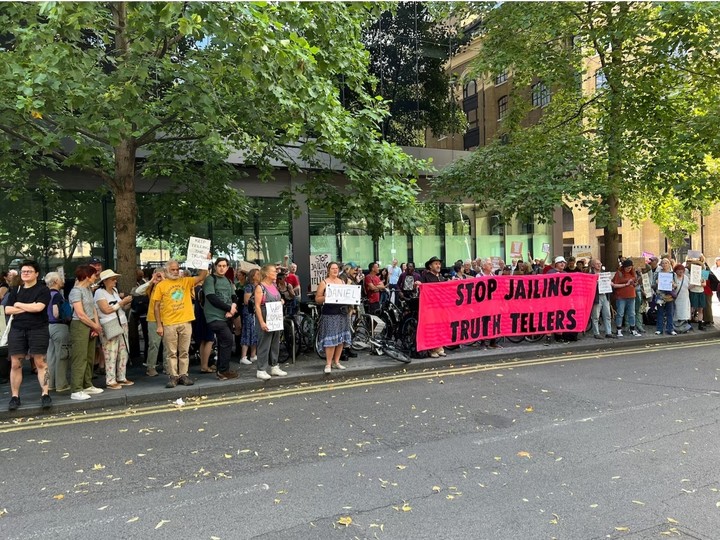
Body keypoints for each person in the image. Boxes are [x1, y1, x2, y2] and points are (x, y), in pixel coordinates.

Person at [152, 255, 211, 388]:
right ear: (167, 271)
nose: (175, 271)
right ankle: (173, 376)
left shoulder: (185, 281)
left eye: (177, 269)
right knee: (171, 352)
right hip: (169, 323)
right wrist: (159, 325)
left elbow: (201, 277)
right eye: (172, 269)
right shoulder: (161, 285)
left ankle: (183, 375)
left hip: (185, 321)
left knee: (184, 351)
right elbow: (156, 306)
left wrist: (205, 261)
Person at [5, 260, 52, 411]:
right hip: (17, 330)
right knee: (15, 364)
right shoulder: (15, 290)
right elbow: (6, 310)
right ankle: (15, 397)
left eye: (29, 271)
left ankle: (45, 394)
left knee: (40, 363)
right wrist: (28, 307)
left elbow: (39, 308)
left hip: (38, 329)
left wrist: (19, 305)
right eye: (23, 271)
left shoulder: (43, 290)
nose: (25, 273)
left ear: (36, 274)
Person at [68, 265, 104, 401]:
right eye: (94, 275)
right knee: (80, 357)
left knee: (89, 356)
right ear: (87, 276)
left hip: (90, 324)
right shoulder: (76, 291)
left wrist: (96, 326)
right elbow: (80, 314)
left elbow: (93, 308)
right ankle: (76, 389)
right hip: (80, 326)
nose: (96, 277)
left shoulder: (88, 289)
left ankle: (87, 384)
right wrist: (95, 325)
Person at [94, 269, 134, 389]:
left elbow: (119, 308)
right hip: (109, 324)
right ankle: (110, 380)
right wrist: (122, 303)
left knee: (123, 352)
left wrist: (127, 303)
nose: (115, 281)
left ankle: (121, 377)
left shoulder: (114, 291)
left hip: (121, 322)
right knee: (111, 352)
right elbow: (106, 310)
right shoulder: (99, 293)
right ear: (105, 281)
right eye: (112, 279)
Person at [203, 257, 239, 380]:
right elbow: (211, 297)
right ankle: (223, 371)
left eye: (224, 266)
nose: (222, 268)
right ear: (215, 266)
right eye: (219, 266)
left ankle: (222, 370)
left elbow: (234, 297)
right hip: (214, 317)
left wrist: (232, 308)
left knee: (225, 342)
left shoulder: (228, 281)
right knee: (227, 339)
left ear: (227, 267)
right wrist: (228, 308)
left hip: (227, 317)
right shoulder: (210, 279)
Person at [315, 262, 352, 374]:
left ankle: (337, 362)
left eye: (337, 268)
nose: (335, 270)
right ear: (328, 270)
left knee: (340, 339)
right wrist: (326, 297)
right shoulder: (324, 282)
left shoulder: (341, 281)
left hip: (342, 313)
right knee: (330, 339)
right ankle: (328, 363)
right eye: (333, 268)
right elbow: (317, 299)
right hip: (330, 313)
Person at [253, 264, 287, 380]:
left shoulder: (273, 285)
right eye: (274, 271)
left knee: (275, 343)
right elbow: (257, 306)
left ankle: (274, 366)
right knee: (264, 344)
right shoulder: (260, 287)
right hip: (265, 316)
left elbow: (277, 298)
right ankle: (261, 369)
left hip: (275, 318)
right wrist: (262, 322)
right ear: (267, 274)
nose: (276, 273)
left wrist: (281, 301)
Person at [134, 269, 166, 377]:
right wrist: (151, 281)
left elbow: (175, 295)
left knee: (168, 344)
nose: (158, 277)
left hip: (168, 318)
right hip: (153, 318)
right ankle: (151, 367)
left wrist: (164, 280)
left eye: (160, 274)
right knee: (154, 343)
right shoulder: (151, 286)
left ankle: (168, 366)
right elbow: (138, 291)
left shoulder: (167, 284)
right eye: (156, 274)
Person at [45, 272, 71, 392]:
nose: (63, 281)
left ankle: (50, 384)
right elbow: (56, 313)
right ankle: (61, 384)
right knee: (62, 355)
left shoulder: (44, 295)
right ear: (55, 281)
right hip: (59, 327)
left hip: (48, 327)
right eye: (61, 279)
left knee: (51, 356)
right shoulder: (57, 296)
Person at [421, 256, 447, 358]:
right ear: (430, 266)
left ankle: (439, 347)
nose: (438, 265)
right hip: (430, 307)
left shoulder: (441, 277)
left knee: (440, 327)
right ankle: (432, 349)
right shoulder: (426, 276)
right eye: (436, 264)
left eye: (439, 264)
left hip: (440, 307)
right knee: (432, 328)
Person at [611, 259, 641, 337]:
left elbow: (634, 282)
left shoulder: (633, 272)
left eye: (630, 267)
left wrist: (635, 283)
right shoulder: (619, 273)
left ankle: (632, 329)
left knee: (632, 313)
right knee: (620, 313)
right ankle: (619, 329)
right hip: (621, 296)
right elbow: (614, 284)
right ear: (624, 267)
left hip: (631, 295)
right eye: (628, 268)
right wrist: (626, 284)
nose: (629, 269)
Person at [589, 259, 615, 339]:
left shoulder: (604, 274)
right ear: (593, 265)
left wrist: (610, 283)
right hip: (596, 296)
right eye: (597, 264)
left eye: (600, 263)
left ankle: (608, 332)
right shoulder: (590, 275)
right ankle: (596, 333)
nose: (599, 265)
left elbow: (609, 284)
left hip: (605, 295)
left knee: (607, 315)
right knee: (595, 315)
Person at [653, 258, 677, 335]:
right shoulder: (657, 274)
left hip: (669, 296)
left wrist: (673, 284)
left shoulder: (673, 274)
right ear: (661, 265)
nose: (664, 264)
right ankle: (659, 329)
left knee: (670, 313)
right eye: (663, 263)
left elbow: (676, 285)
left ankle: (670, 329)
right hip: (660, 296)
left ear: (669, 264)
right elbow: (652, 285)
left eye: (666, 263)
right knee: (660, 313)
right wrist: (657, 283)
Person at [673, 263, 691, 333]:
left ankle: (684, 329)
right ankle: (676, 328)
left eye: (682, 270)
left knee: (684, 313)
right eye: (679, 270)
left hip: (685, 298)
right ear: (675, 271)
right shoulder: (674, 277)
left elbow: (689, 287)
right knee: (677, 313)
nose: (680, 271)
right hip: (677, 298)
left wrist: (695, 284)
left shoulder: (686, 277)